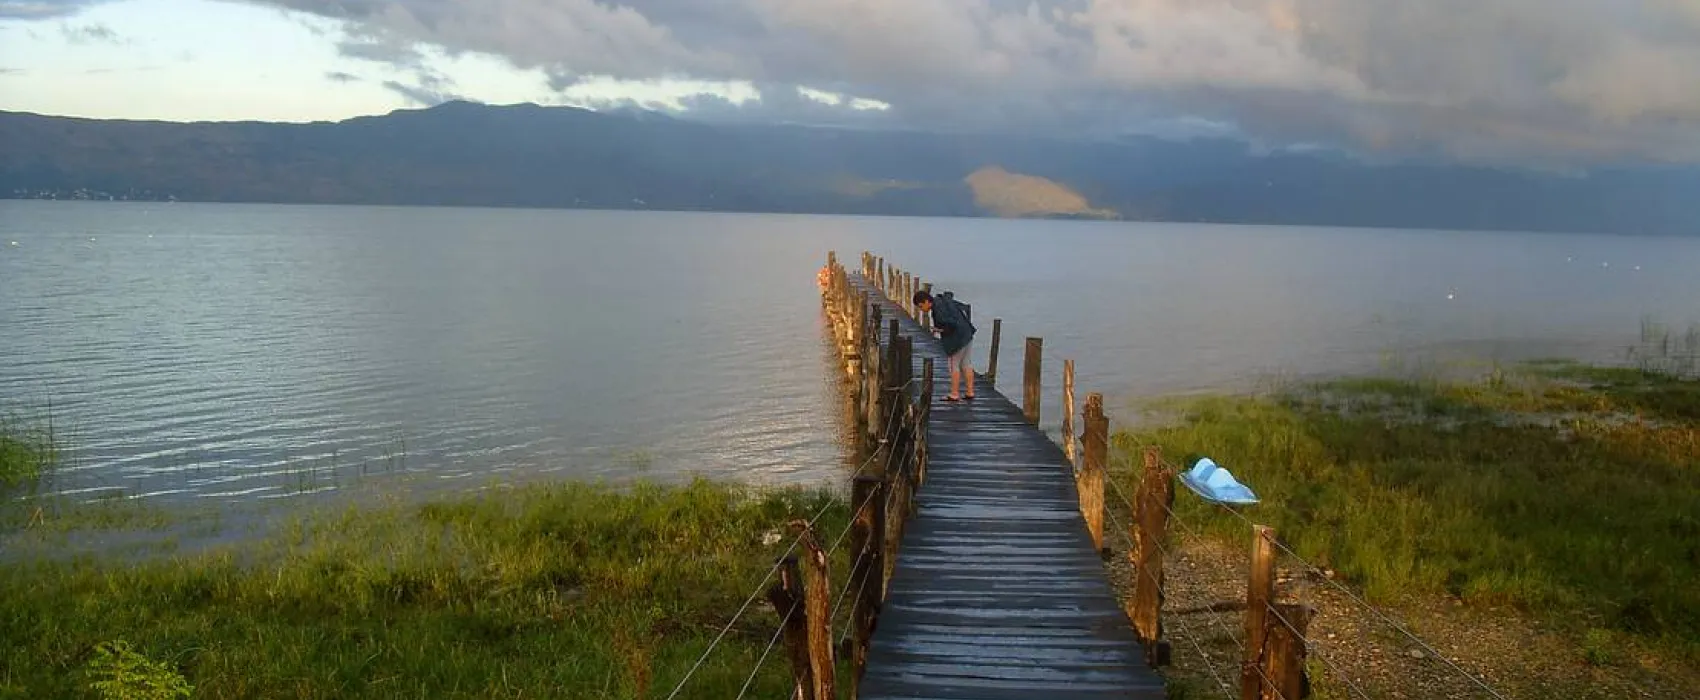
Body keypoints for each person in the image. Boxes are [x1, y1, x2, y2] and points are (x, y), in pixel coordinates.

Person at [913, 290, 976, 401]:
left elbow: (951, 325)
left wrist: (939, 330)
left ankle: (954, 394)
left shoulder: (938, 309)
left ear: (927, 301)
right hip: (967, 333)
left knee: (953, 365)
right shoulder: (943, 301)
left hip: (958, 339)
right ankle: (970, 392)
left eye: (921, 306)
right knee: (966, 363)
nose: (921, 310)